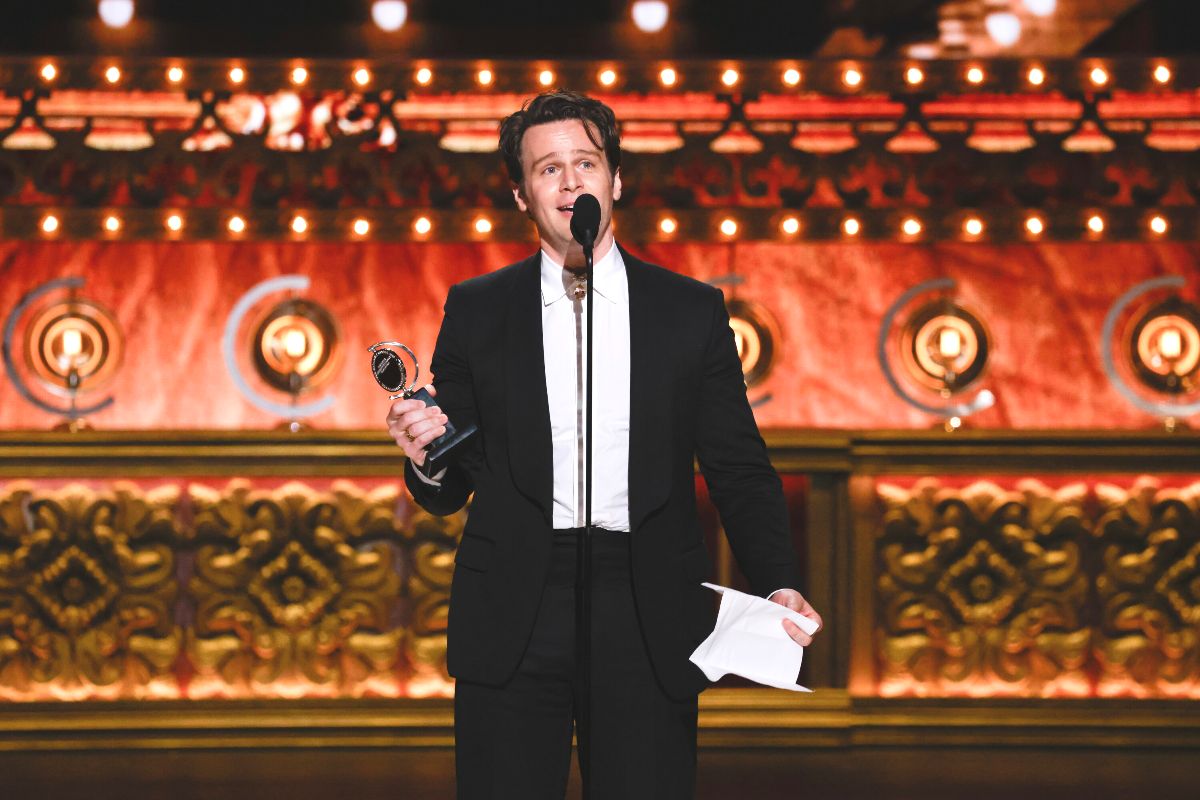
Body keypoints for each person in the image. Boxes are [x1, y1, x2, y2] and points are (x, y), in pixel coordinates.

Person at [385, 90, 822, 799]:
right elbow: (450, 482)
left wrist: (776, 579)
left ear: (615, 179)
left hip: (646, 603)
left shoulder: (690, 311)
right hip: (517, 606)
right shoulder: (477, 309)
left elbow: (737, 464)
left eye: (585, 163)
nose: (569, 182)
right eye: (547, 169)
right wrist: (422, 454)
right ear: (522, 195)